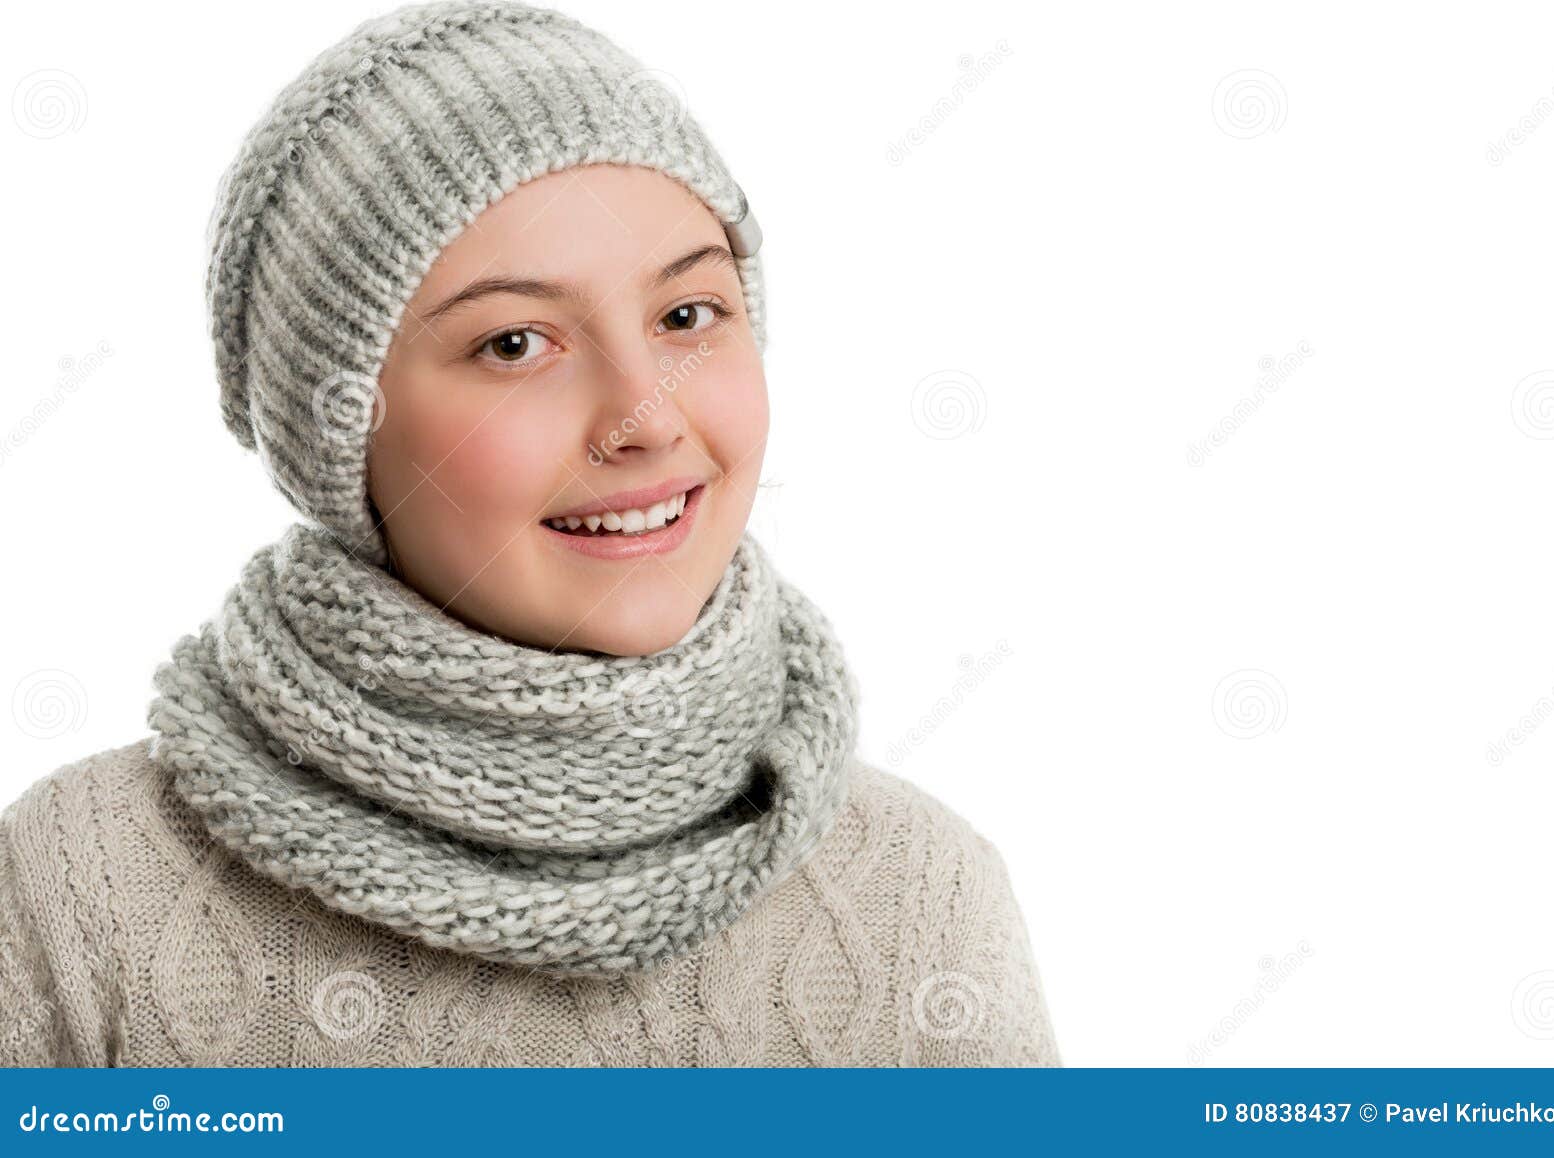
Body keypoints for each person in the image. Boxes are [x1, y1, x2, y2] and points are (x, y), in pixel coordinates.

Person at [0, 0, 1058, 1067]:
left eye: (688, 315)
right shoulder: (77, 894)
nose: (647, 417)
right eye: (514, 343)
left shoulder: (920, 898)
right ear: (337, 430)